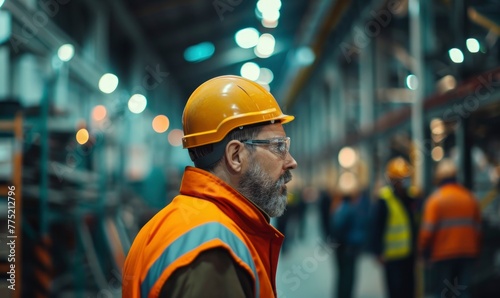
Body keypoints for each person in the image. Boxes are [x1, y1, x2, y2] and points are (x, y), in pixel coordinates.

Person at [122, 75, 298, 297]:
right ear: (236, 156)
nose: (291, 161)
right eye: (278, 147)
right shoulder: (214, 252)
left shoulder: (168, 225)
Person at [418, 158, 481, 298]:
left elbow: (427, 232)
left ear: (439, 178)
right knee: (463, 290)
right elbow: (477, 229)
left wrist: (423, 252)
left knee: (442, 292)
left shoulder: (435, 200)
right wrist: (476, 250)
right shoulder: (469, 197)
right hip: (467, 252)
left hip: (443, 254)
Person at [368, 156, 420, 298]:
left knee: (409, 291)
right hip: (392, 258)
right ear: (392, 181)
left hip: (409, 255)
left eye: (405, 178)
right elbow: (375, 227)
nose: (403, 182)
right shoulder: (384, 200)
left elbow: (415, 225)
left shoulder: (411, 198)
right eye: (400, 179)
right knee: (395, 292)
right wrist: (377, 252)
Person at [330, 180, 369, 298]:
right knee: (349, 275)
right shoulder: (351, 210)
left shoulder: (338, 209)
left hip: (340, 247)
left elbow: (335, 228)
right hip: (348, 247)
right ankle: (345, 294)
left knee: (341, 273)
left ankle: (340, 294)